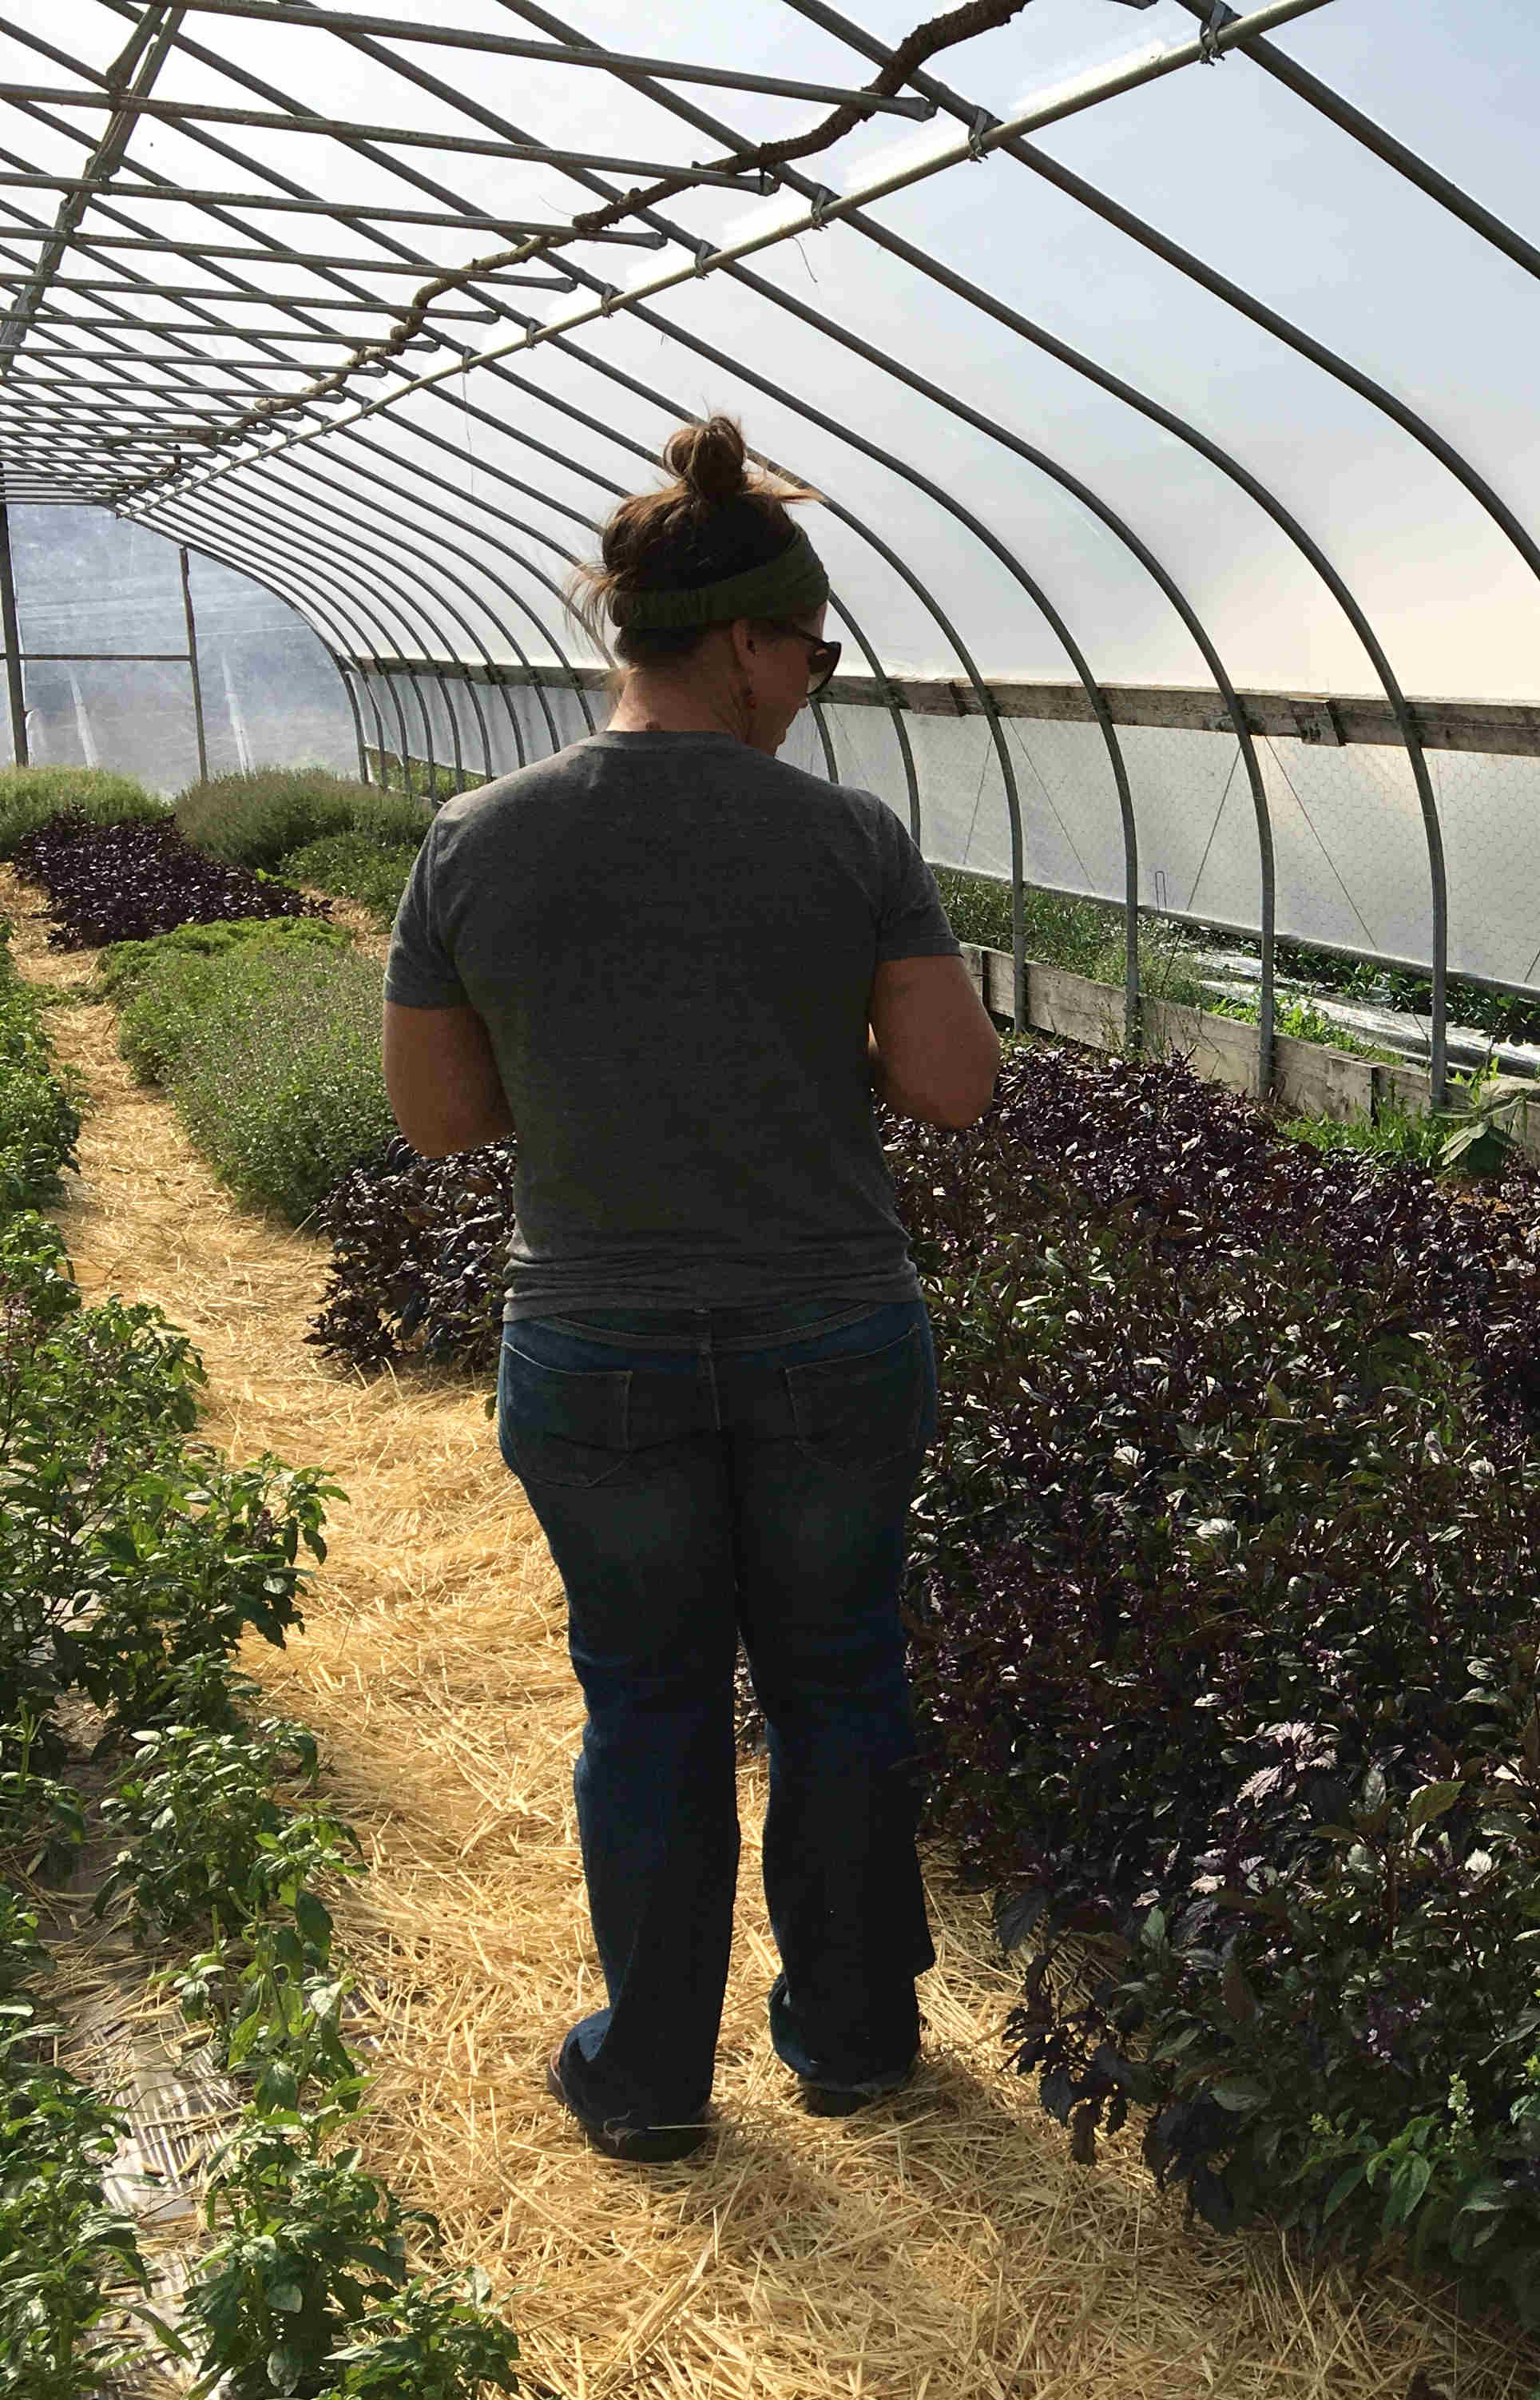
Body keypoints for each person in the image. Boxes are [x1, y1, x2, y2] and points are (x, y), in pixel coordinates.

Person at [379, 416, 999, 2164]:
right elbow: (954, 1084)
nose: (815, 680)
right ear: (742, 641)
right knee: (839, 1687)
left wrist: (594, 1078)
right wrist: (808, 1047)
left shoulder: (478, 841)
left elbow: (433, 1119)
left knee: (647, 1704)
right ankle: (858, 2040)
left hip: (595, 1343)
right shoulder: (849, 840)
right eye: (811, 650)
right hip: (829, 1331)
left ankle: (650, 2081)